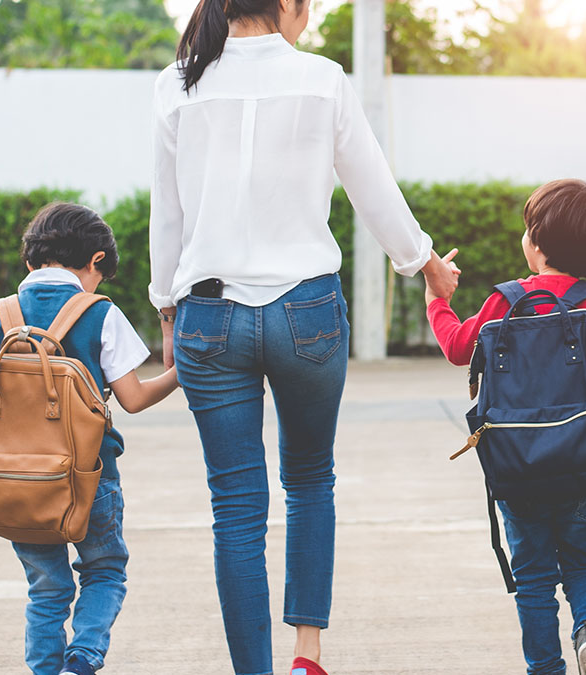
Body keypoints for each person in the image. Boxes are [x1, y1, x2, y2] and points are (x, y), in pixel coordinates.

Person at [148, 1, 459, 673]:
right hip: (307, 313)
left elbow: (166, 213)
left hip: (209, 316)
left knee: (235, 506)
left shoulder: (177, 84)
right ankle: (307, 656)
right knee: (310, 480)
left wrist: (165, 311)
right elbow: (373, 189)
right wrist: (427, 266)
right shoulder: (325, 79)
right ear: (287, 4)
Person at [423, 178, 586, 675]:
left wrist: (438, 297)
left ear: (537, 245)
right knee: (585, 566)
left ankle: (545, 667)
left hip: (517, 469)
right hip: (584, 470)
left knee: (534, 578)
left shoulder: (505, 302)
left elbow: (459, 347)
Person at [0, 202, 179, 675]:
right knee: (106, 570)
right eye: (102, 274)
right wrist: (179, 374)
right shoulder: (100, 313)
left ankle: (45, 671)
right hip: (89, 479)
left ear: (32, 261)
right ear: (96, 260)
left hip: (13, 485)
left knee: (46, 587)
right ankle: (84, 656)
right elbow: (133, 400)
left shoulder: (0, 317)